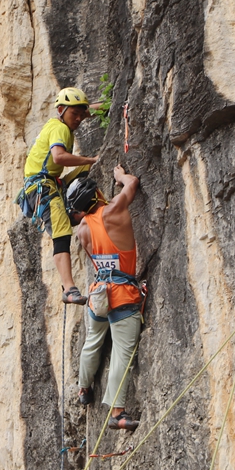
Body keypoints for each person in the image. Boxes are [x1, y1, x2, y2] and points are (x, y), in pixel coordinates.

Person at [68, 165, 143, 431]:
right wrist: (119, 177)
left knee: (93, 340)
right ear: (97, 194)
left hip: (99, 294)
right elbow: (132, 183)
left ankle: (83, 388)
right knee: (122, 351)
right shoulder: (113, 211)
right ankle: (118, 412)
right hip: (122, 294)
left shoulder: (82, 230)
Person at [21, 87, 100, 305]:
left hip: (48, 185)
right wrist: (90, 159)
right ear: (61, 110)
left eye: (80, 114)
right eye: (73, 114)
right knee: (61, 234)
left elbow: (87, 111)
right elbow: (58, 157)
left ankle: (75, 215)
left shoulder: (58, 123)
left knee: (87, 173)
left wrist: (108, 104)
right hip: (43, 188)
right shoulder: (60, 129)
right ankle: (69, 289)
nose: (78, 118)